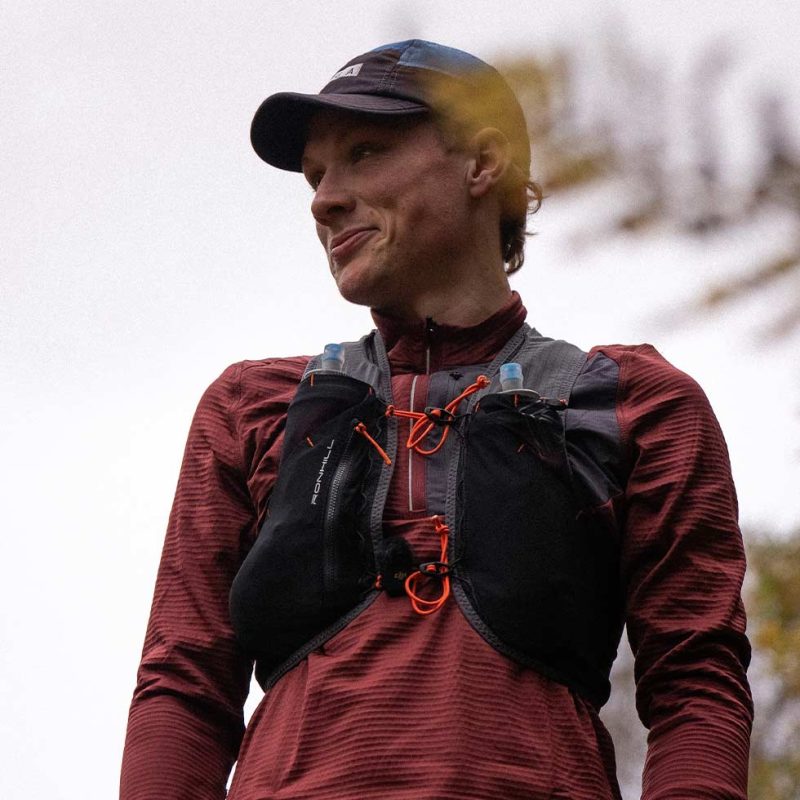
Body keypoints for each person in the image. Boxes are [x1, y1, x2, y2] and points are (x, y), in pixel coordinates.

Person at [120, 40, 753, 799]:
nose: (324, 198)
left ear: (482, 164)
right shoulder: (250, 408)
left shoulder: (637, 404)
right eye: (317, 176)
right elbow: (183, 686)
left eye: (364, 153)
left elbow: (697, 683)